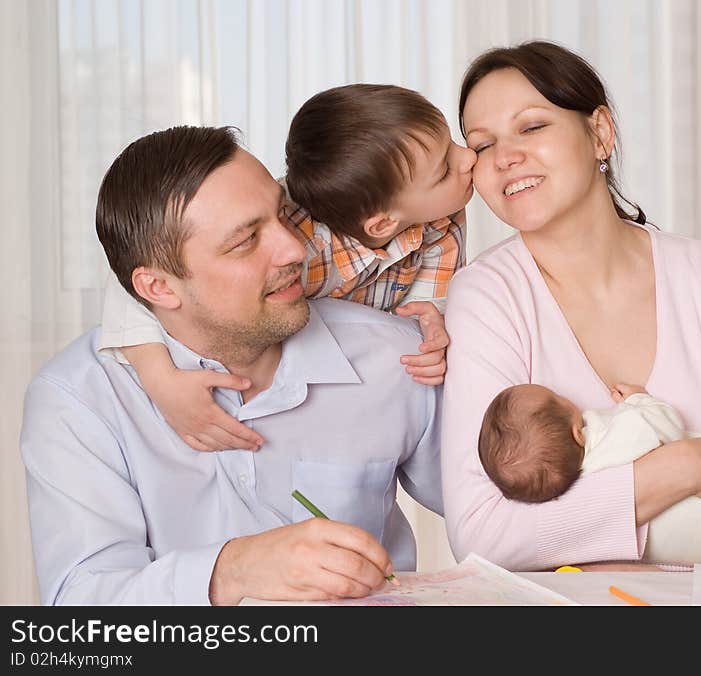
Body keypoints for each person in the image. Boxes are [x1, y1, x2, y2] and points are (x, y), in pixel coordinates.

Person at [441, 40, 701, 571]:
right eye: (481, 145)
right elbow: (482, 535)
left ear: (600, 131)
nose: (504, 158)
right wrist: (688, 465)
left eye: (532, 127)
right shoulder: (486, 298)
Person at [20, 125, 443, 605]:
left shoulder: (399, 356)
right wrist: (232, 570)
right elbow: (81, 608)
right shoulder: (77, 400)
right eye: (245, 241)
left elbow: (511, 513)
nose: (294, 250)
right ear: (158, 288)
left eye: (284, 216)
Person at [99, 84, 476, 452]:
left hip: (353, 374)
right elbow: (141, 272)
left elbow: (427, 313)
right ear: (381, 223)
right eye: (444, 171)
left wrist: (432, 332)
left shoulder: (439, 221)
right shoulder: (297, 222)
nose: (470, 158)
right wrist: (160, 379)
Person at [478, 382, 701, 564]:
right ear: (578, 434)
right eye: (557, 396)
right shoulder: (611, 436)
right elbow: (665, 426)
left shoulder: (575, 493)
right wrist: (639, 400)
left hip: (699, 550)